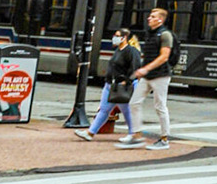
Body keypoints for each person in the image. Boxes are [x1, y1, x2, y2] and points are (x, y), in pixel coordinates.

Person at [121, 8, 175, 151]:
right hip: (148, 75)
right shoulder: (150, 34)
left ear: (160, 20)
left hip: (161, 75)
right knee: (134, 102)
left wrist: (146, 68)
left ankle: (164, 139)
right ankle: (136, 135)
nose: (148, 18)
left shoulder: (165, 34)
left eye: (152, 16)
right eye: (150, 16)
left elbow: (164, 56)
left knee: (160, 106)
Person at [74, 28, 141, 142]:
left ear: (124, 38)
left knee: (125, 110)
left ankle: (132, 134)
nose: (114, 38)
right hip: (111, 85)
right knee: (105, 109)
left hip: (121, 86)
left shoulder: (131, 51)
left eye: (117, 35)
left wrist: (127, 81)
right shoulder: (118, 50)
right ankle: (90, 132)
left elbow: (136, 68)